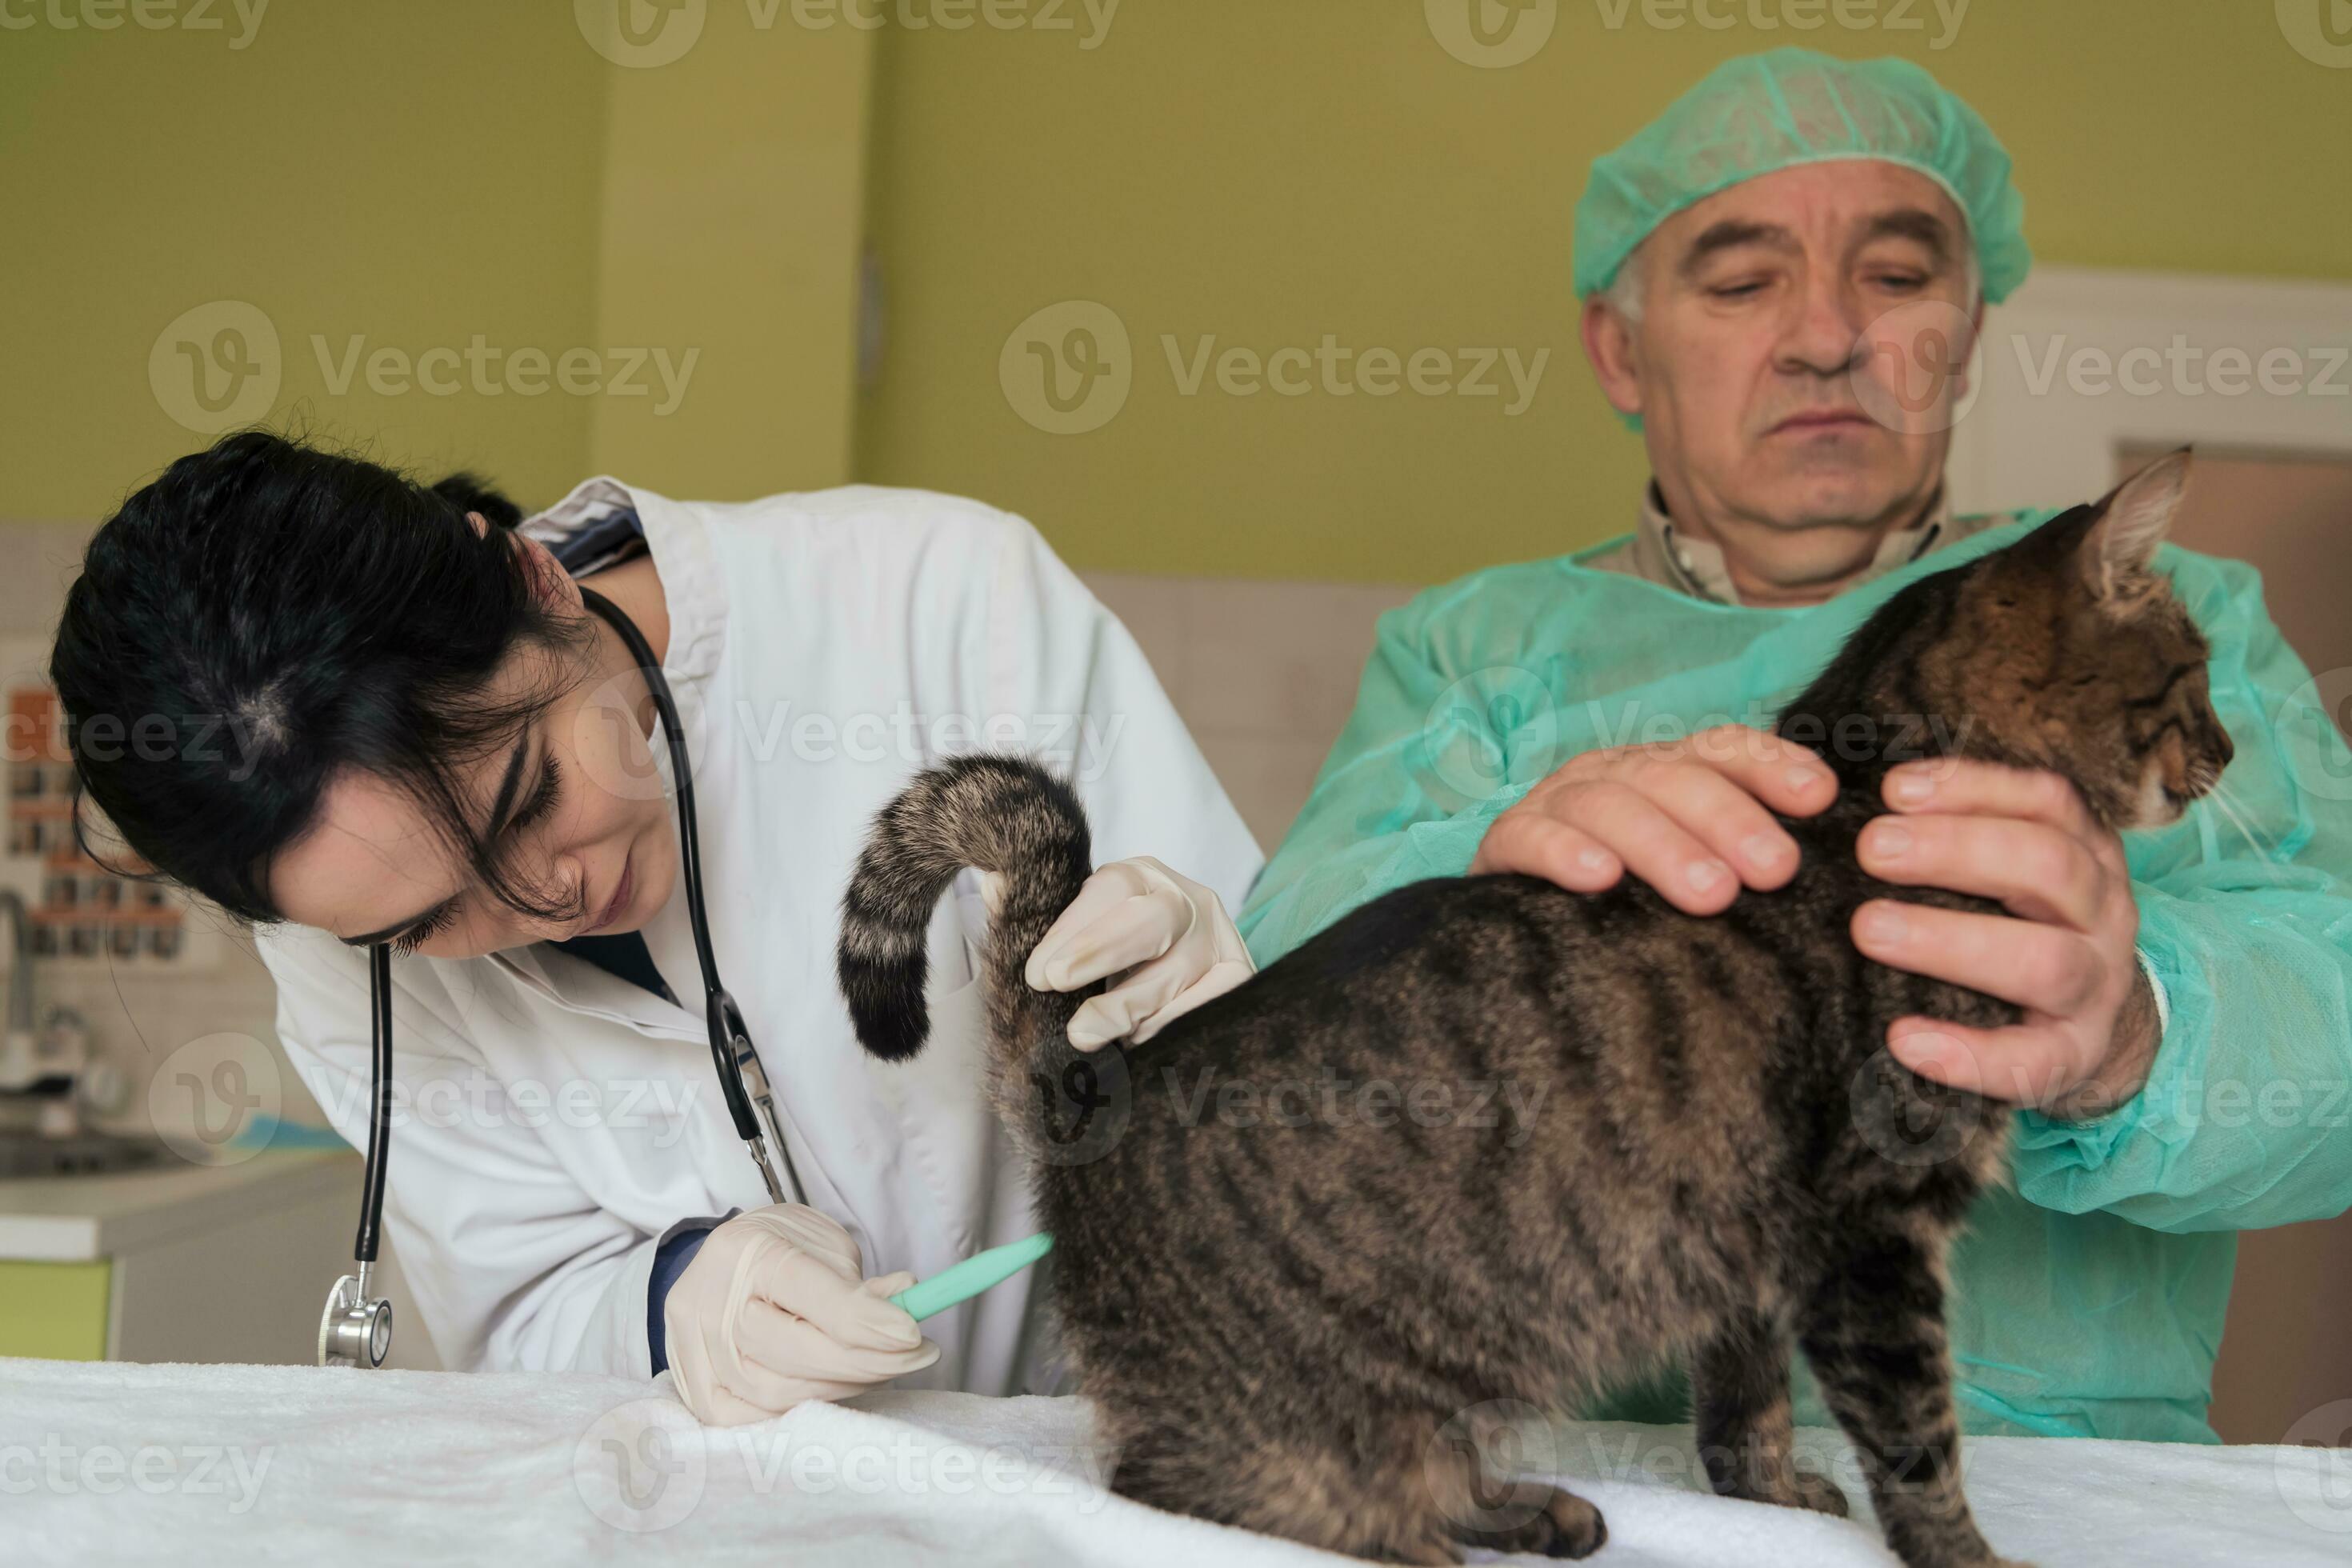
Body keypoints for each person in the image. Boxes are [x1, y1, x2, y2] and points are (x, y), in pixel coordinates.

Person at [1241, 50, 2352, 1443]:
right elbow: (1272, 983)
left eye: (1896, 278)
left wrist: (2134, 1026)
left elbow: (2338, 1017)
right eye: (1742, 280)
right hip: (1579, 1463)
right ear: (1619, 350)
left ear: (1968, 328)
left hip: (2064, 1498)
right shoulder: (1476, 651)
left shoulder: (2168, 632)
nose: (1827, 337)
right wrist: (1484, 879)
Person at [51, 433, 1261, 1423]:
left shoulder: (937, 600)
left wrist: (1227, 1017)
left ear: (535, 582)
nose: (544, 901)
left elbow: (1283, 1128)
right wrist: (682, 1295)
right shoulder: (334, 945)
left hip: (1115, 1442)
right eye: (429, 923)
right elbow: (524, 1308)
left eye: (529, 798)